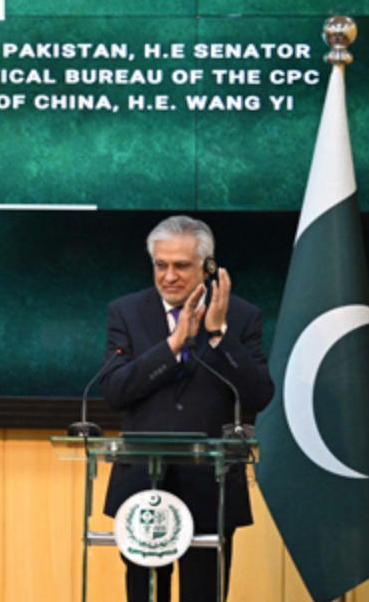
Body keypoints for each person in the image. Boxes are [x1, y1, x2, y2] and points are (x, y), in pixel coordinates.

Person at [99, 215, 274, 602]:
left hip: (211, 485)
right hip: (143, 486)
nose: (169, 276)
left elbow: (259, 394)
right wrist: (172, 345)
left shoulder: (241, 317)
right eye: (161, 265)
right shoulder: (125, 312)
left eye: (181, 265)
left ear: (208, 266)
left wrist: (218, 335)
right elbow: (114, 391)